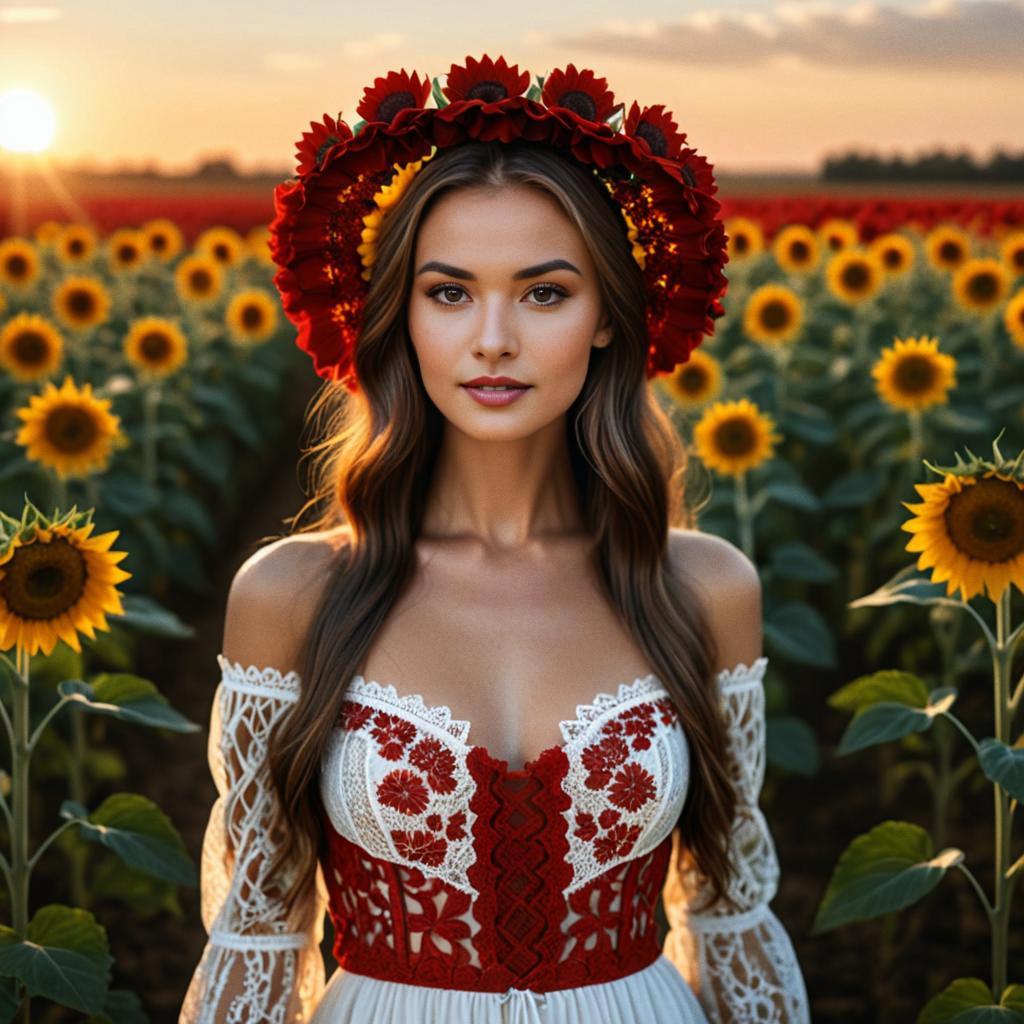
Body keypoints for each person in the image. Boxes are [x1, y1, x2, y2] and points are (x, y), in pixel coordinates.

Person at [178, 54, 811, 1024]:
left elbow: (727, 924)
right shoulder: (292, 596)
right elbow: (259, 946)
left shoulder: (702, 587)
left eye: (544, 293)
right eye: (449, 292)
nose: (492, 339)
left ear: (607, 318)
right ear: (401, 318)